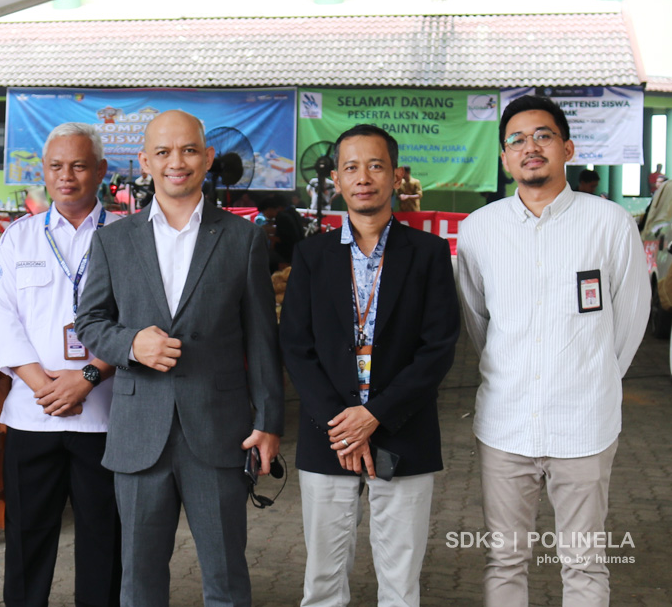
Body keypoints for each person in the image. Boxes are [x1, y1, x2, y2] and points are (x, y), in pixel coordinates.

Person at [75, 109, 285, 607]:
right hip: (138, 433)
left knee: (227, 578)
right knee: (140, 581)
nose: (177, 162)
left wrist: (270, 420)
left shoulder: (242, 239)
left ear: (208, 157)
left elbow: (261, 339)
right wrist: (131, 345)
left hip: (219, 430)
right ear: (145, 161)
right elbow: (90, 322)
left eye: (189, 150)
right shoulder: (113, 239)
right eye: (164, 152)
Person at [458, 95, 649, 606]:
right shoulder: (479, 230)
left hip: (584, 424)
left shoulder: (609, 223)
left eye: (542, 135)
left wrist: (597, 379)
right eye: (516, 140)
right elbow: (478, 321)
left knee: (584, 562)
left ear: (567, 146)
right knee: (504, 560)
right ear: (504, 158)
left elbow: (630, 317)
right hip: (505, 424)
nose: (530, 147)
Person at [280, 124, 460, 607]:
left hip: (403, 431)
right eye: (352, 167)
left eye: (376, 166)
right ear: (336, 179)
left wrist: (375, 414)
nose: (364, 177)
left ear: (396, 177)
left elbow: (438, 347)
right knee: (322, 580)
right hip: (329, 437)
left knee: (400, 583)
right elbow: (296, 347)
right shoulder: (312, 255)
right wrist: (343, 426)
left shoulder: (427, 253)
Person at [0, 122, 122, 607]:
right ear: (43, 171)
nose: (67, 176)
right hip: (33, 414)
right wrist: (41, 382)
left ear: (101, 171)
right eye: (57, 166)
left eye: (79, 165)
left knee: (104, 540)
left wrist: (87, 377)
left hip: (105, 416)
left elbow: (140, 320)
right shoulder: (20, 238)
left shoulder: (128, 235)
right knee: (27, 537)